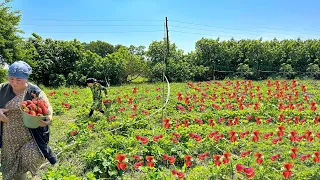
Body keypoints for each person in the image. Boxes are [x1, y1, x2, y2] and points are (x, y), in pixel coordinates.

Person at [0, 61, 57, 180]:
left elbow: (48, 106)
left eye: (18, 80)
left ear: (26, 78)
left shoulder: (34, 91)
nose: (14, 83)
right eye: (11, 78)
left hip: (30, 135)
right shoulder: (2, 89)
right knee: (12, 167)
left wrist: (48, 117)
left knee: (31, 156)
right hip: (8, 137)